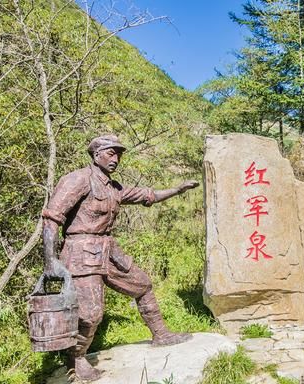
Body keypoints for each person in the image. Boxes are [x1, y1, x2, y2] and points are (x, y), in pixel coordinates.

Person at [41, 135, 200, 381]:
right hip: (81, 252)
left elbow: (148, 195)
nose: (116, 159)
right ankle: (77, 357)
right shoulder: (77, 179)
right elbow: (52, 217)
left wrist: (178, 189)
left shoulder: (114, 188)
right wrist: (50, 259)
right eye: (111, 153)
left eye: (119, 154)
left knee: (142, 284)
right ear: (96, 155)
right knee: (91, 313)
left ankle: (161, 334)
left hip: (108, 250)